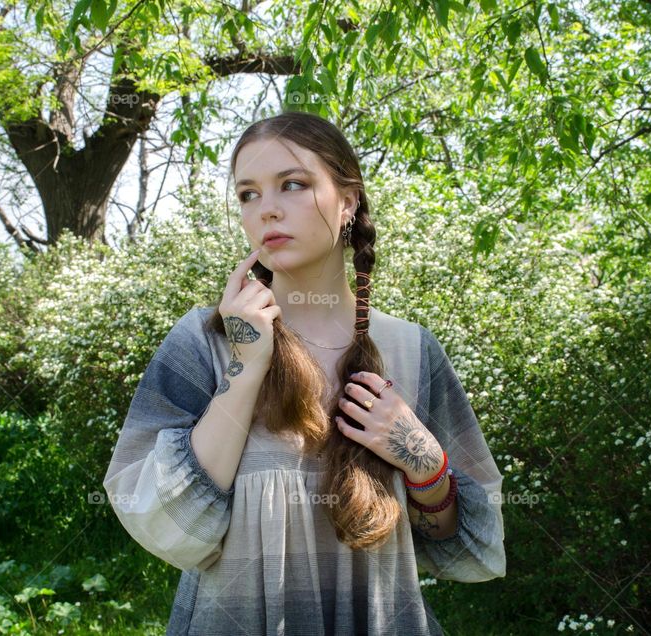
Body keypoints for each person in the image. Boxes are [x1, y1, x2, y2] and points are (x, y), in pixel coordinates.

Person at [102, 110, 506, 635]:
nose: (266, 210)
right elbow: (171, 525)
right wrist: (246, 365)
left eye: (292, 185)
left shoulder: (411, 349)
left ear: (348, 200)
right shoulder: (202, 342)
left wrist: (426, 463)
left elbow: (460, 543)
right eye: (248, 194)